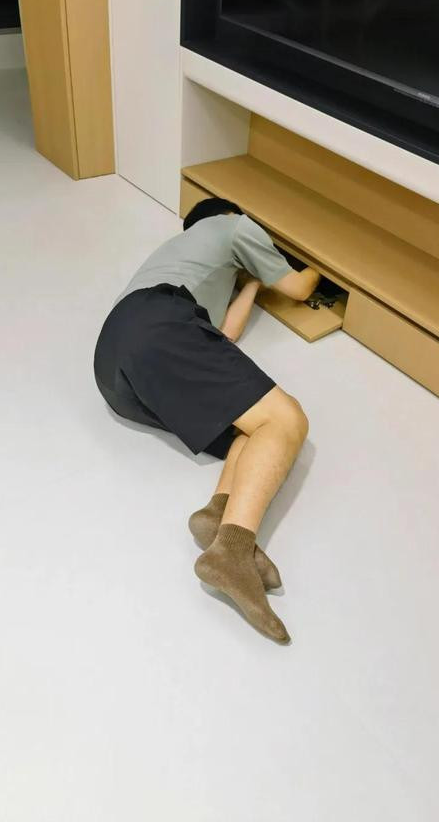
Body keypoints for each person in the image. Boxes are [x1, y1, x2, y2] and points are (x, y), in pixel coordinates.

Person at [94, 198, 320, 643]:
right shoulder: (233, 226)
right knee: (286, 419)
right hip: (156, 323)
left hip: (114, 367)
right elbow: (299, 288)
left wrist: (250, 282)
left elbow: (226, 334)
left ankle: (218, 516)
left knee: (249, 428)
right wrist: (322, 265)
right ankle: (231, 554)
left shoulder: (183, 259)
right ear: (229, 214)